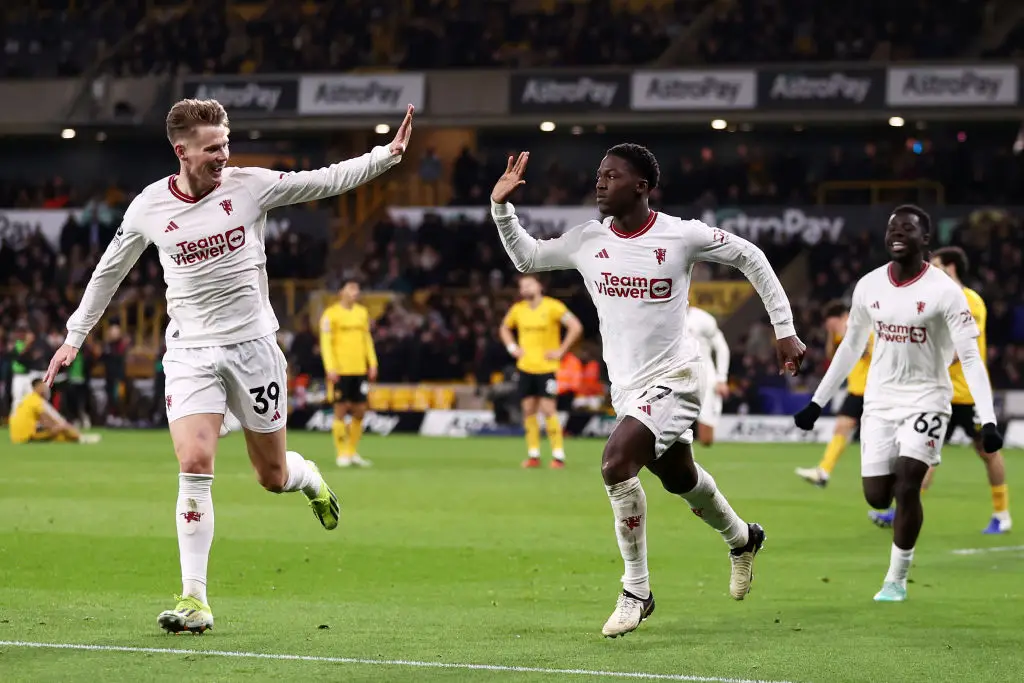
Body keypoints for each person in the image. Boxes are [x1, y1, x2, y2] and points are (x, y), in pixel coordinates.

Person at [43, 98, 415, 634]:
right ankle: (195, 599)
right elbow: (108, 272)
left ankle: (309, 478)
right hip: (190, 351)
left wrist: (388, 155)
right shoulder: (149, 207)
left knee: (272, 475)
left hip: (253, 349)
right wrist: (74, 338)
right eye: (213, 147)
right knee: (194, 463)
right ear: (182, 151)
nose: (224, 154)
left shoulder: (249, 186)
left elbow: (325, 180)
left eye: (226, 143)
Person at [490, 147, 805, 637]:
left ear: (641, 186)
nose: (599, 184)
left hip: (677, 378)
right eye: (598, 175)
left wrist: (783, 328)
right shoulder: (587, 240)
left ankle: (637, 589)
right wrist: (501, 209)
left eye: (611, 176)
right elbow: (527, 256)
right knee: (681, 478)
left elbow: (751, 255)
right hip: (629, 387)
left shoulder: (680, 235)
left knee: (616, 464)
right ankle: (743, 538)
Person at [794, 205, 1002, 603]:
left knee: (909, 482)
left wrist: (986, 417)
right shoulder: (869, 286)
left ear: (925, 239)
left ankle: (896, 577)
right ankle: (895, 535)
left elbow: (971, 357)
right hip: (880, 401)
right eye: (892, 229)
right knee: (877, 495)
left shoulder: (946, 292)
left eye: (907, 229)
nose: (897, 234)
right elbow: (851, 346)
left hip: (929, 398)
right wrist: (818, 401)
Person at [868, 246, 1011, 534]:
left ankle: (1002, 514)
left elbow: (962, 347)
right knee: (921, 454)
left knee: (988, 453)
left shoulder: (971, 301)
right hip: (940, 394)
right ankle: (901, 511)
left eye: (935, 265)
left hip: (968, 395)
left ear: (952, 267)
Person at [499, 274, 584, 468]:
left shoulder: (553, 306)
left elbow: (575, 326)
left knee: (548, 409)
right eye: (522, 286)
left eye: (529, 284)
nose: (525, 289)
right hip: (526, 367)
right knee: (528, 409)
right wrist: (512, 348)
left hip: (547, 368)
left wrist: (562, 350)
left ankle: (558, 455)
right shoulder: (518, 310)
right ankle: (533, 454)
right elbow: (504, 328)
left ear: (539, 286)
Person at [795, 300, 872, 487]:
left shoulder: (864, 328)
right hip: (857, 390)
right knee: (841, 428)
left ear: (843, 317)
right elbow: (832, 355)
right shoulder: (843, 333)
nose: (832, 329)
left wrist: (848, 335)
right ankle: (823, 472)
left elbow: (864, 351)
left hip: (873, 390)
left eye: (832, 325)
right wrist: (833, 334)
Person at [319, 279, 377, 467]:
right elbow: (325, 343)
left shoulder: (362, 313)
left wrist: (373, 362)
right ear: (340, 292)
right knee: (341, 409)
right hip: (340, 370)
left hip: (359, 368)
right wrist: (330, 368)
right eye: (351, 288)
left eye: (357, 289)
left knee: (360, 411)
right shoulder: (330, 314)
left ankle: (352, 452)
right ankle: (341, 452)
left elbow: (367, 338)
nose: (355, 292)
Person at [684, 305, 730, 447]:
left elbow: (722, 348)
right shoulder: (663, 316)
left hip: (703, 376)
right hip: (673, 376)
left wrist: (721, 379)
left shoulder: (703, 319)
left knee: (706, 438)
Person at [9, 378, 100, 445]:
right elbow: (45, 420)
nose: (45, 389)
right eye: (43, 386)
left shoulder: (28, 399)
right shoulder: (36, 400)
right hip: (26, 437)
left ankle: (80, 438)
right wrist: (58, 427)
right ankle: (82, 438)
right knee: (61, 428)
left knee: (59, 433)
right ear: (38, 387)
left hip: (16, 436)